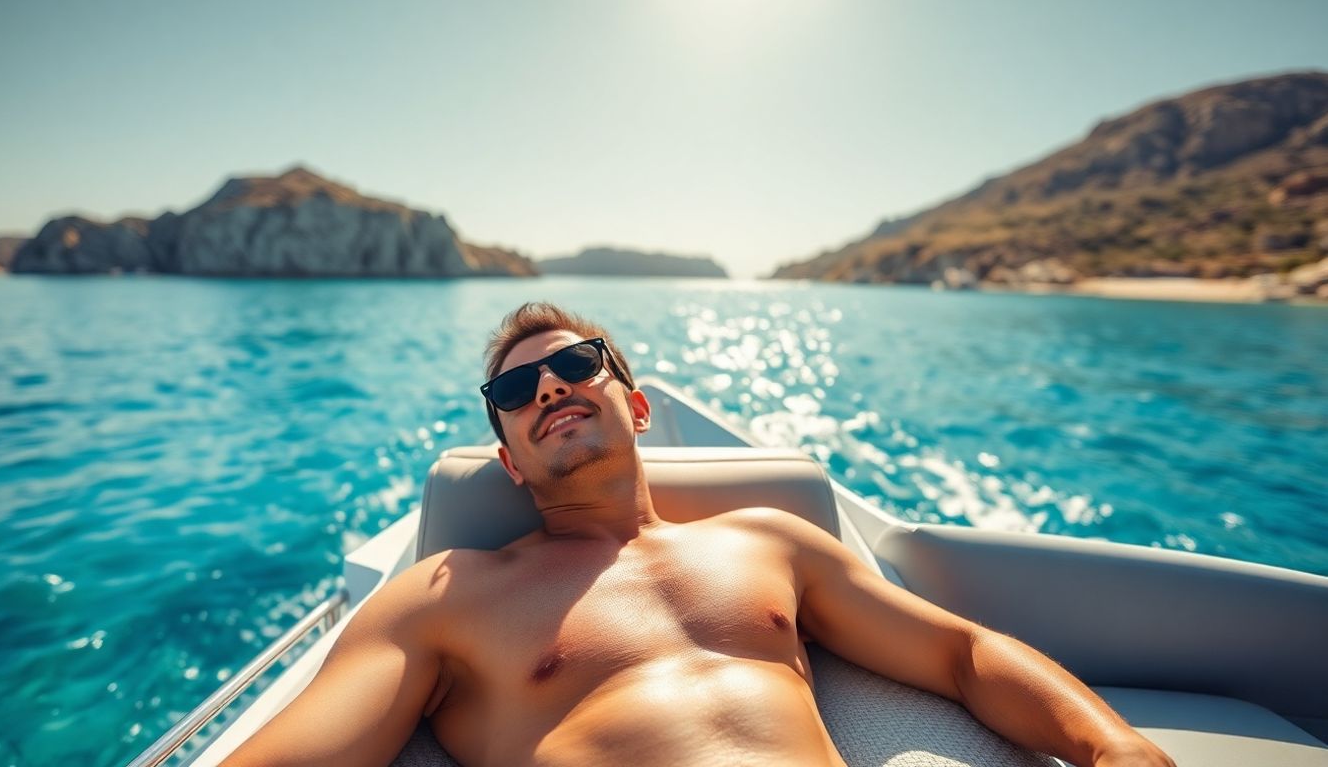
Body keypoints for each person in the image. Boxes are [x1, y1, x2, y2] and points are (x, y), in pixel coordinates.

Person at [223, 302, 1174, 767]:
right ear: (509, 457)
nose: (548, 387)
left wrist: (1113, 749)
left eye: (572, 365)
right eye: (515, 391)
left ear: (634, 406)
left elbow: (963, 654)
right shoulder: (447, 596)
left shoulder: (770, 542)